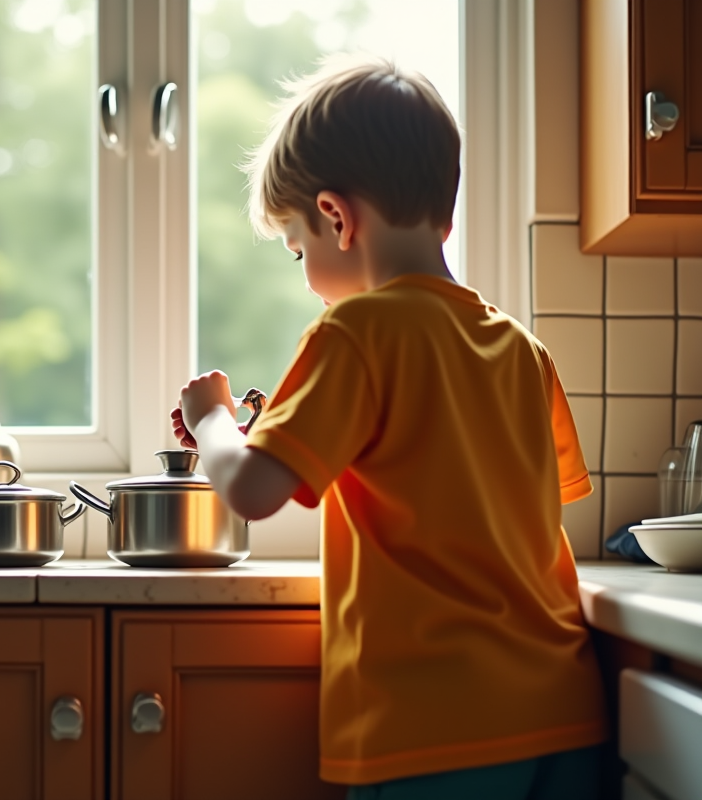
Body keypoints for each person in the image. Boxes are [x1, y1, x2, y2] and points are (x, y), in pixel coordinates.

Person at [171, 54, 607, 800]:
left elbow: (249, 490)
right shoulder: (520, 347)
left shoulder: (356, 333)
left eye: (298, 248)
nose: (304, 269)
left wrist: (211, 418)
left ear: (337, 219)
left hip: (432, 732)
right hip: (565, 713)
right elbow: (515, 497)